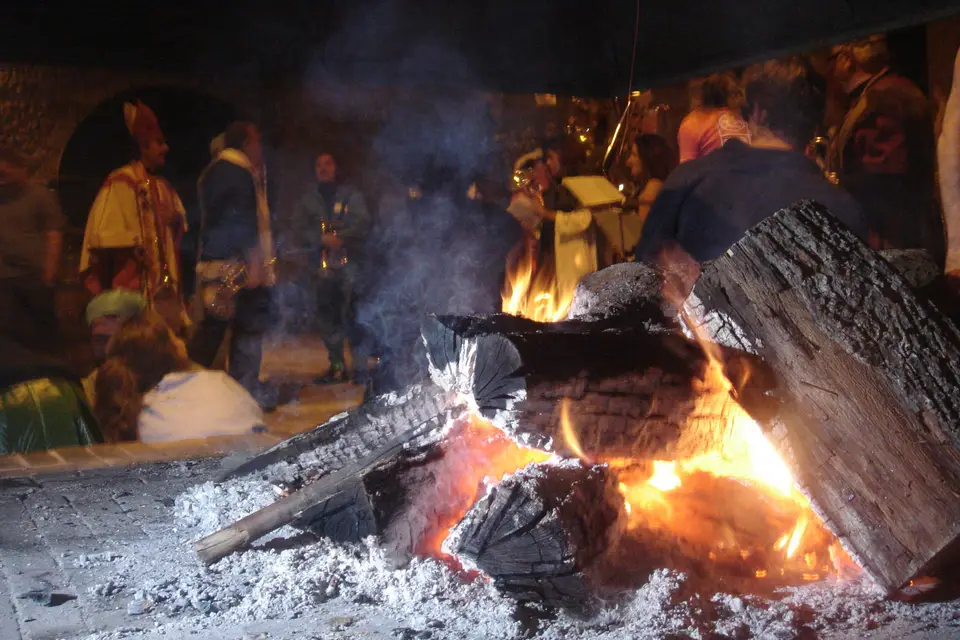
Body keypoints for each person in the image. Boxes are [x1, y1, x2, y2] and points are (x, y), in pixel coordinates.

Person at [635, 56, 869, 265]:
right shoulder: (843, 208)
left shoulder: (686, 182)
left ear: (757, 109)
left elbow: (644, 280)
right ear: (816, 120)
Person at [828, 35, 943, 264]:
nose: (829, 70)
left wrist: (832, 188)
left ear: (846, 60)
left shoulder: (884, 98)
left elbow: (884, 181)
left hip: (894, 241)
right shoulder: (880, 93)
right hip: (897, 235)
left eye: (831, 60)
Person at [188, 121, 277, 407]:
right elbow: (242, 221)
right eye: (257, 141)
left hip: (214, 262)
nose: (260, 148)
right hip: (237, 267)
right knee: (245, 331)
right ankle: (242, 395)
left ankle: (189, 387)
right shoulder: (239, 172)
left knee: (212, 330)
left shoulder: (212, 172)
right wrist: (255, 263)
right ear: (246, 143)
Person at [79, 101, 189, 332]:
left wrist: (174, 219)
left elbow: (179, 225)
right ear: (143, 146)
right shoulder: (121, 182)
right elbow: (102, 233)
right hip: (134, 276)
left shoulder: (163, 186)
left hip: (163, 286)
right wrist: (135, 241)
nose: (166, 148)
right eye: (159, 143)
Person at [94, 312, 264, 443]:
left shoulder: (136, 420)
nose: (181, 340)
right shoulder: (220, 384)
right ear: (175, 348)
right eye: (174, 336)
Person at [290, 151, 371, 382]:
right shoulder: (307, 200)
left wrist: (341, 237)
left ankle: (360, 367)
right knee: (327, 318)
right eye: (318, 164)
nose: (323, 168)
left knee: (354, 316)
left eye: (328, 163)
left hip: (349, 265)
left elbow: (362, 222)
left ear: (337, 167)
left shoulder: (350, 195)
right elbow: (298, 228)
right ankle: (337, 366)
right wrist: (320, 239)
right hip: (320, 268)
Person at [0, 146, 64, 353]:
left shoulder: (40, 196)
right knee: (11, 335)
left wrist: (50, 273)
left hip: (34, 276)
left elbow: (53, 234)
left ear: (22, 169)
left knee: (42, 335)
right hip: (5, 278)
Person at [81, 289, 147, 405]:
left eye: (116, 340)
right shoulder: (85, 392)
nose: (108, 349)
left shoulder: (159, 389)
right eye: (100, 340)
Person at [677, 72, 752, 163]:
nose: (740, 98)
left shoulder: (692, 122)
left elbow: (687, 168)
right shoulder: (693, 123)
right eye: (734, 93)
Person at [624, 133, 678, 225]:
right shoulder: (665, 185)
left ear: (649, 158)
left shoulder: (651, 190)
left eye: (634, 155)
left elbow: (641, 231)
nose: (628, 162)